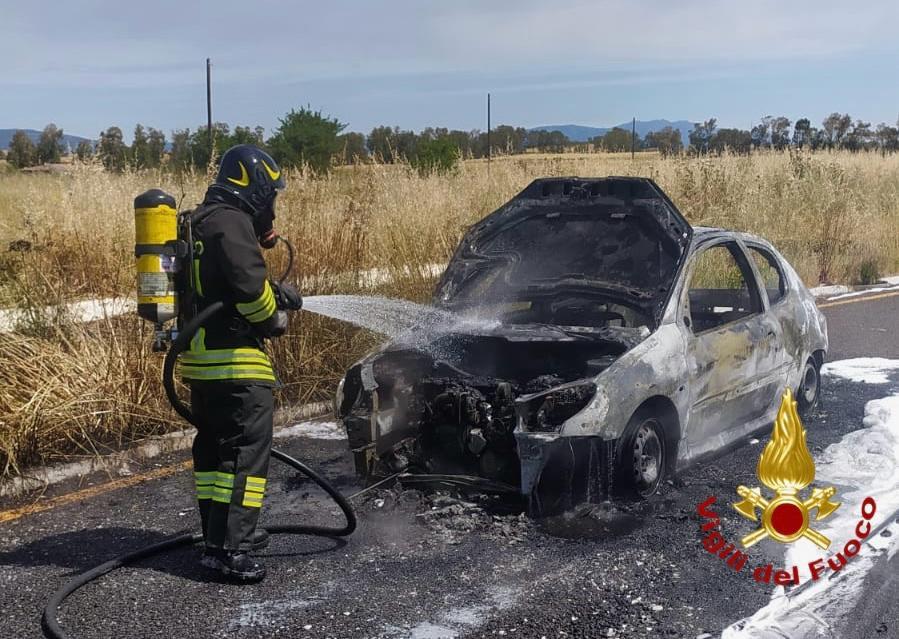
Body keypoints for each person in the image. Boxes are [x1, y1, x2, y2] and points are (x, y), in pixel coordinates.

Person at [180, 144, 302, 583]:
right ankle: (234, 550)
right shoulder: (231, 222)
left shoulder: (197, 221)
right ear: (255, 189)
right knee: (245, 461)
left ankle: (217, 538)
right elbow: (252, 296)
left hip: (202, 365)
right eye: (271, 195)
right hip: (238, 367)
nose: (272, 205)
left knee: (215, 457)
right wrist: (277, 313)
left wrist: (271, 285)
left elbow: (220, 286)